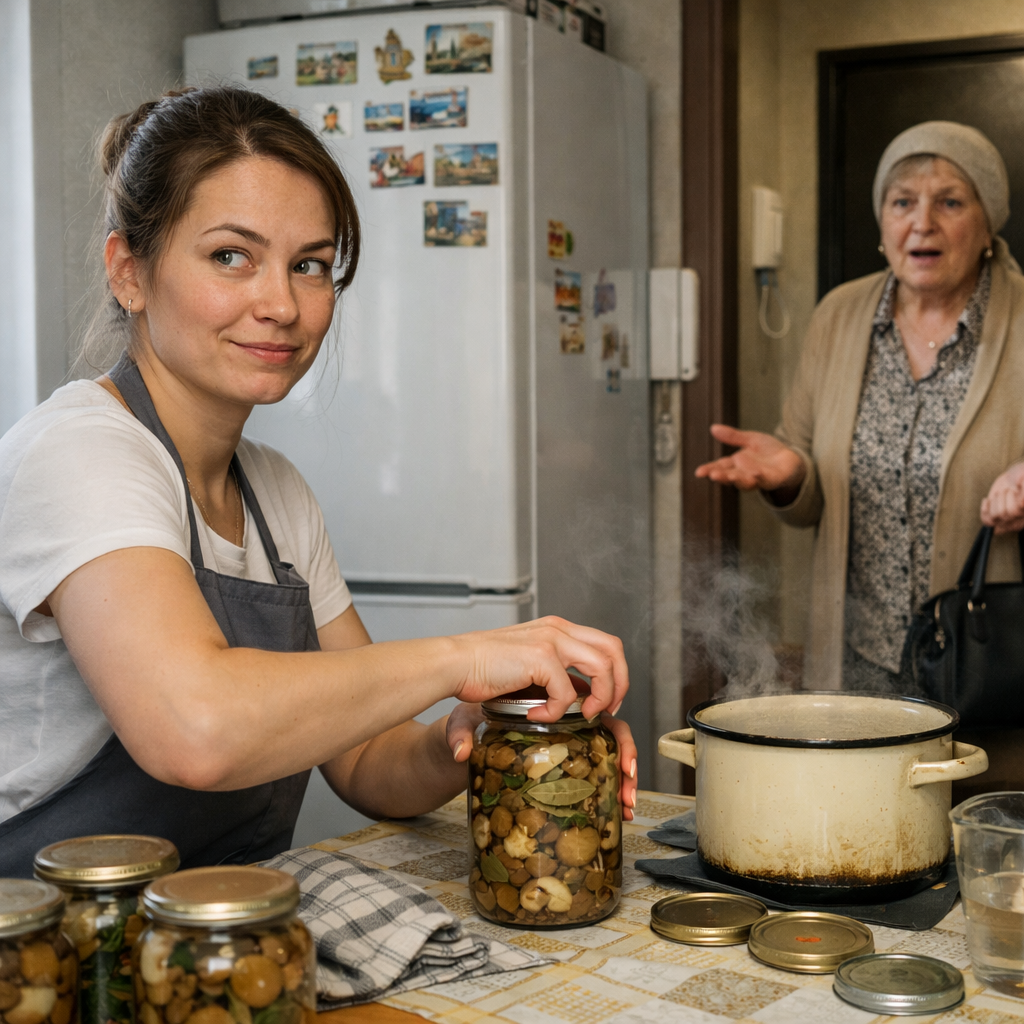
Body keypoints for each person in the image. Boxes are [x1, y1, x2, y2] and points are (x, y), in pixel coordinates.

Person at [0, 86, 637, 876]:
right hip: (47, 951)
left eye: (309, 265)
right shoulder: (78, 452)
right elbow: (193, 728)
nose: (281, 304)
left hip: (228, 929)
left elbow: (368, 760)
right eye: (231, 256)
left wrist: (463, 731)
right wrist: (463, 655)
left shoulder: (276, 493)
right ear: (129, 271)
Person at [697, 121, 1024, 701]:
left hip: (988, 665)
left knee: (983, 793)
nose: (922, 222)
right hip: (859, 663)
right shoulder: (839, 315)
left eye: (949, 201)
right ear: (883, 221)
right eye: (903, 202)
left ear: (988, 223)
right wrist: (790, 474)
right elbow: (808, 491)